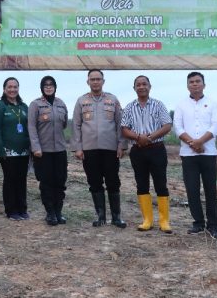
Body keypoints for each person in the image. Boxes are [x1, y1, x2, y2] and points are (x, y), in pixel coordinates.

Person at [72, 69, 128, 228]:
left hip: (110, 149)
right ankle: (101, 216)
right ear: (87, 82)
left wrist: (121, 145)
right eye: (92, 79)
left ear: (103, 81)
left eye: (98, 79)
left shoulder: (112, 99)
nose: (95, 82)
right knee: (94, 182)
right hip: (89, 149)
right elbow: (76, 125)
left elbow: (120, 123)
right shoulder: (81, 101)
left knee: (113, 182)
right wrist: (78, 147)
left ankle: (116, 217)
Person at [120, 75, 173, 233]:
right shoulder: (129, 107)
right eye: (138, 84)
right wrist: (138, 137)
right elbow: (124, 129)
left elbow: (167, 125)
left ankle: (164, 222)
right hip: (138, 151)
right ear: (134, 88)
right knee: (141, 184)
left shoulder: (158, 105)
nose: (141, 87)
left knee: (160, 184)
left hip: (156, 149)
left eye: (144, 84)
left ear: (150, 86)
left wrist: (149, 138)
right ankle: (147, 220)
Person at [174, 72, 217, 237]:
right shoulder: (181, 105)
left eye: (198, 81)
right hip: (188, 155)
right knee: (192, 190)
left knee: (210, 190)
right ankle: (198, 223)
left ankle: (213, 225)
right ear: (188, 85)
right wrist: (193, 143)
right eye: (191, 82)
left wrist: (201, 141)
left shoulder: (212, 104)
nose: (195, 84)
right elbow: (178, 127)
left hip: (208, 153)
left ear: (204, 84)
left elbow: (216, 126)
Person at [28, 76, 69, 226]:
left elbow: (64, 124)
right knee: (46, 183)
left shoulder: (61, 104)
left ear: (55, 87)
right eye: (45, 85)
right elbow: (31, 128)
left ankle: (58, 212)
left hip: (59, 150)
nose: (49, 87)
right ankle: (50, 213)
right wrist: (36, 148)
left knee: (60, 181)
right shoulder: (35, 105)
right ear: (41, 87)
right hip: (42, 152)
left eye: (51, 85)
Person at [0, 77, 31, 220]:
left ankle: (22, 209)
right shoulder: (0, 106)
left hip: (24, 150)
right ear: (4, 89)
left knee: (21, 179)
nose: (12, 90)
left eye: (15, 87)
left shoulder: (24, 107)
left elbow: (30, 127)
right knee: (10, 179)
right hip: (7, 151)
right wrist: (0, 150)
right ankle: (11, 210)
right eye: (10, 87)